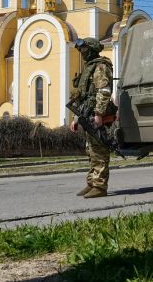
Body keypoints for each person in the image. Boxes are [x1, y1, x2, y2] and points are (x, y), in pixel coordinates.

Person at [69, 37, 115, 198]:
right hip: (86, 113)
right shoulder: (90, 67)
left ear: (92, 49)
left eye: (84, 49)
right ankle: (92, 183)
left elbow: (104, 91)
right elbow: (82, 96)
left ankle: (100, 186)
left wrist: (99, 114)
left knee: (99, 150)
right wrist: (75, 119)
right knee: (90, 150)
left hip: (97, 114)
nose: (81, 53)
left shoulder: (101, 66)